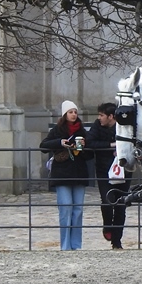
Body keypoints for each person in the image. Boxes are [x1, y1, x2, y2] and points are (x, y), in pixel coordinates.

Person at [40, 101, 93, 251]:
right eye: (70, 112)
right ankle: (65, 246)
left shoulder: (82, 131)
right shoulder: (57, 130)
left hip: (79, 174)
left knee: (78, 210)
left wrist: (82, 148)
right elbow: (43, 146)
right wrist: (60, 143)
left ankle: (76, 245)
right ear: (65, 114)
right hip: (62, 174)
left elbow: (90, 155)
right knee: (65, 208)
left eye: (75, 112)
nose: (73, 115)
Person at [87, 102, 129, 249]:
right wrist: (110, 145)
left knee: (121, 204)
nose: (99, 118)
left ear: (111, 117)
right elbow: (90, 142)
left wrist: (122, 149)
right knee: (107, 200)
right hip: (104, 170)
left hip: (123, 170)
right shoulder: (97, 126)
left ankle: (117, 241)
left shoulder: (124, 126)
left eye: (102, 115)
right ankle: (107, 226)